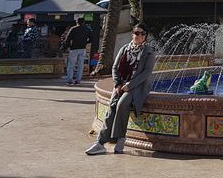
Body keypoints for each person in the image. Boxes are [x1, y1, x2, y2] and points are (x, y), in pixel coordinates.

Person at [85, 23, 155, 155]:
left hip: (137, 87)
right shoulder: (125, 49)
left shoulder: (149, 52)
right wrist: (117, 84)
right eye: (136, 33)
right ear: (132, 34)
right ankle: (100, 143)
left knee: (122, 105)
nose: (138, 36)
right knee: (112, 107)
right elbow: (115, 68)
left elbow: (146, 73)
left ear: (145, 36)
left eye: (142, 34)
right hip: (121, 85)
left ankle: (120, 139)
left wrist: (129, 85)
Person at [64, 17, 92, 85]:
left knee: (71, 65)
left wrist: (66, 47)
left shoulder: (73, 29)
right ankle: (78, 81)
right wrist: (85, 42)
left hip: (74, 48)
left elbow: (68, 39)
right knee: (81, 65)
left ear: (77, 22)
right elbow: (91, 39)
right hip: (83, 48)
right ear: (83, 22)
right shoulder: (87, 29)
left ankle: (69, 80)